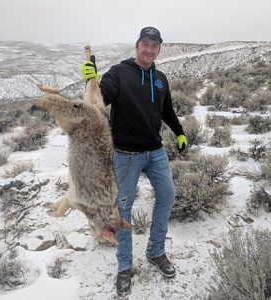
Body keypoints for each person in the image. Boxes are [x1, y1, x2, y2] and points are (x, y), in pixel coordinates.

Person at [81, 26, 187, 296]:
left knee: (167, 196)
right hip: (126, 155)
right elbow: (99, 101)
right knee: (123, 211)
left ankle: (155, 252)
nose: (149, 50)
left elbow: (167, 110)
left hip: (155, 151)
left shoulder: (160, 78)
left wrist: (180, 133)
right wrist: (90, 82)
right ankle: (124, 266)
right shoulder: (119, 73)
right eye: (145, 44)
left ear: (159, 48)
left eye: (155, 45)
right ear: (137, 45)